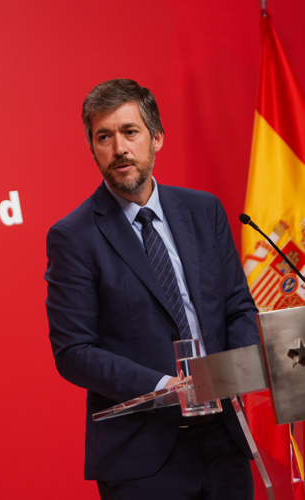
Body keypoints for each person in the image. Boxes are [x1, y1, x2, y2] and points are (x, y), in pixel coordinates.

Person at [44, 79, 260, 499]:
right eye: (104, 137)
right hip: (142, 457)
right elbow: (73, 352)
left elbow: (238, 307)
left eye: (130, 132)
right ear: (92, 148)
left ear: (156, 137)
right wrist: (164, 387)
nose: (119, 148)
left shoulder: (204, 210)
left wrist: (234, 373)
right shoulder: (73, 237)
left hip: (225, 440)